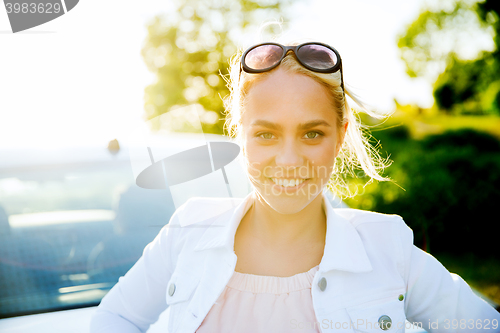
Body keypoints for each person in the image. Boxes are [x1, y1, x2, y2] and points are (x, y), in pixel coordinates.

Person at [90, 41, 500, 333]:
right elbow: (115, 318)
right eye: (266, 135)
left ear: (339, 136)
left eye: (311, 134)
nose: (288, 160)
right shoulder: (188, 231)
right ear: (240, 135)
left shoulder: (387, 247)